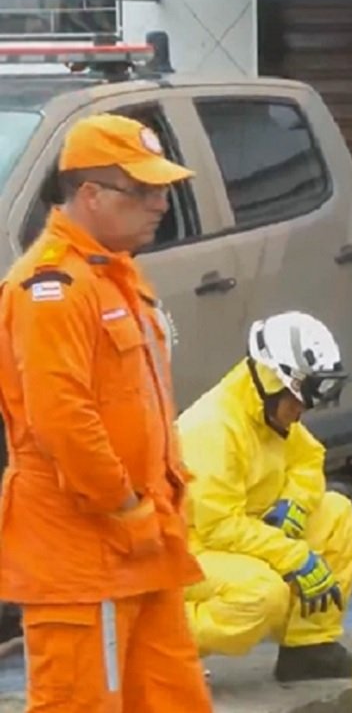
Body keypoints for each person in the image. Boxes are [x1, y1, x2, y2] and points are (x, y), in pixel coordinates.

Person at [0, 113, 212, 711]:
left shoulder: (115, 275)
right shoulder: (52, 288)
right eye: (143, 190)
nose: (161, 203)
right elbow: (62, 419)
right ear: (90, 195)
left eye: (162, 189)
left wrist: (150, 513)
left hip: (143, 547)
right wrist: (125, 508)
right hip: (84, 555)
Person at [177, 310, 352, 681]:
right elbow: (219, 527)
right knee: (263, 593)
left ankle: (309, 650)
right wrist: (294, 557)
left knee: (336, 512)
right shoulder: (212, 427)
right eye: (297, 400)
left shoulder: (269, 412)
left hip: (239, 532)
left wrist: (294, 503)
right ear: (271, 378)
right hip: (191, 548)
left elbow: (309, 458)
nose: (301, 412)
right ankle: (160, 646)